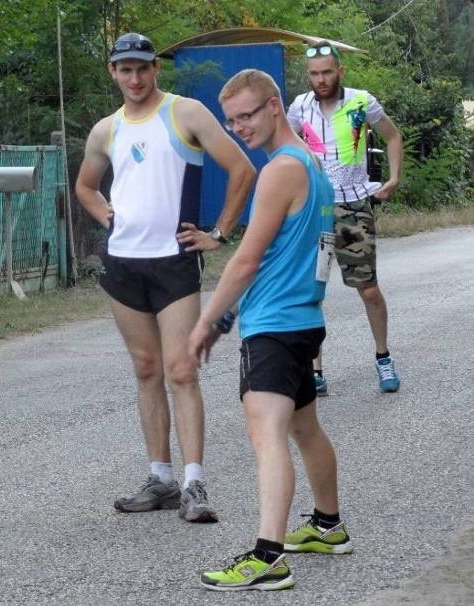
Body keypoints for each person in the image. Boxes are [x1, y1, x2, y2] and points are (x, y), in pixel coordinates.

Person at [75, 32, 255, 523]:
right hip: (124, 265)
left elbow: (241, 170)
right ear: (113, 72)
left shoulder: (186, 113)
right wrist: (110, 219)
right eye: (124, 70)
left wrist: (219, 231)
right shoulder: (105, 130)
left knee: (181, 369)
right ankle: (161, 479)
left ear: (155, 68)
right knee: (146, 369)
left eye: (142, 68)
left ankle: (195, 483)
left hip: (174, 261)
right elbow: (86, 187)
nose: (134, 78)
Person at [187, 69, 351, 592]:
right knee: (304, 429)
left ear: (275, 106)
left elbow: (246, 259)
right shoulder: (311, 166)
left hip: (277, 328)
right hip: (301, 320)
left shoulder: (280, 170)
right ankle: (327, 526)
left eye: (248, 115)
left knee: (266, 434)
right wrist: (231, 317)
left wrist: (207, 319)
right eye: (231, 121)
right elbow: (282, 259)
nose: (240, 128)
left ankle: (268, 558)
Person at [287, 41, 403, 395]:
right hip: (315, 210)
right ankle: (315, 371)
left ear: (340, 72)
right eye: (314, 74)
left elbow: (392, 135)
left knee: (367, 289)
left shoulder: (360, 101)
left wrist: (394, 178)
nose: (320, 80)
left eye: (326, 72)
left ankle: (383, 357)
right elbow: (285, 141)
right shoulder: (299, 107)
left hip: (354, 206)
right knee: (311, 291)